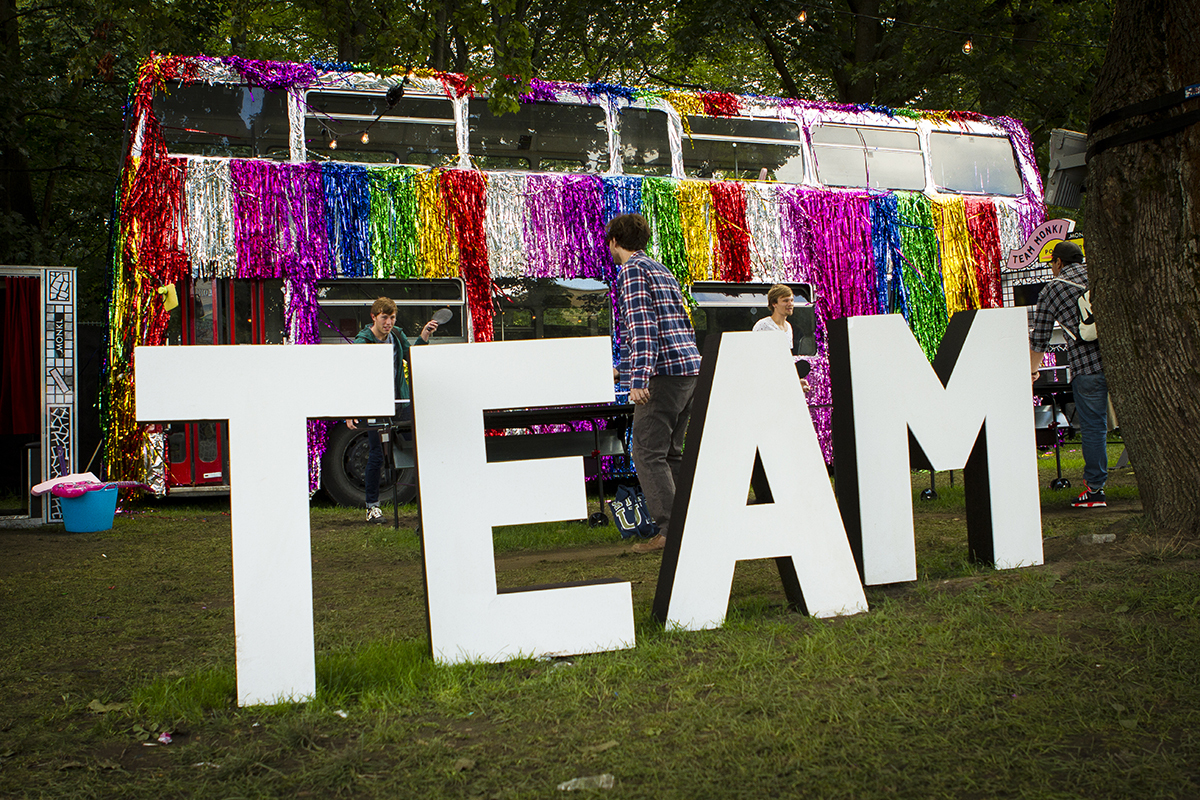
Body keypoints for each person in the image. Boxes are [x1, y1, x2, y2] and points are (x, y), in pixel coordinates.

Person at [608, 213, 702, 554]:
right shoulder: (661, 269)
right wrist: (625, 366)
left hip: (661, 375)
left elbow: (643, 328)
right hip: (688, 370)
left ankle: (669, 532)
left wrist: (638, 378)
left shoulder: (631, 271)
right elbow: (678, 323)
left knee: (646, 453)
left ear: (615, 242)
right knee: (671, 453)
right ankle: (686, 526)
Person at [1029, 240, 1108, 508]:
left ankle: (1095, 490)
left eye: (1052, 263)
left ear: (1059, 263)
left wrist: (1032, 370)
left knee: (1094, 428)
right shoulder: (1101, 274)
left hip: (1087, 368)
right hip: (1120, 365)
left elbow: (1040, 338)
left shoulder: (1053, 289)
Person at [348, 297, 438, 524]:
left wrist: (424, 335)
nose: (388, 322)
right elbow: (351, 377)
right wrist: (351, 409)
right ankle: (372, 508)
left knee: (418, 448)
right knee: (377, 455)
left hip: (401, 403)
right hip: (376, 406)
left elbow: (414, 358)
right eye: (384, 318)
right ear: (374, 317)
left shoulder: (397, 335)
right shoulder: (362, 343)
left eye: (392, 317)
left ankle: (431, 503)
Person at [753, 283, 810, 392]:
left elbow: (786, 359)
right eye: (785, 301)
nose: (790, 304)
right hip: (766, 384)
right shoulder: (763, 325)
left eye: (792, 300)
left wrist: (797, 380)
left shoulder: (789, 327)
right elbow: (756, 358)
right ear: (774, 303)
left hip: (781, 382)